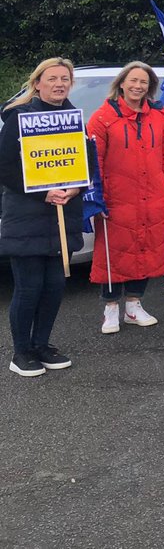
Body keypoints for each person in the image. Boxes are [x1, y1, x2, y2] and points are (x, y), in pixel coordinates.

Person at [1, 58, 83, 376]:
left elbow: (84, 163)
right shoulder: (19, 117)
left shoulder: (74, 120)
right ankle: (21, 352)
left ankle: (41, 345)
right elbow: (6, 168)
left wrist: (76, 189)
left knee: (53, 285)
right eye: (53, 78)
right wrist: (42, 192)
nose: (59, 83)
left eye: (65, 78)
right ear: (38, 83)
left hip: (62, 215)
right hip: (27, 216)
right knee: (29, 286)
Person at [86, 62, 164, 334]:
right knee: (114, 254)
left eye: (144, 82)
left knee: (147, 250)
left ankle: (134, 306)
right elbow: (94, 161)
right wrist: (98, 197)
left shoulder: (160, 117)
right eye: (133, 80)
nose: (138, 86)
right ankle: (111, 308)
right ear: (122, 83)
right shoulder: (102, 118)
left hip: (154, 197)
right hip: (117, 198)